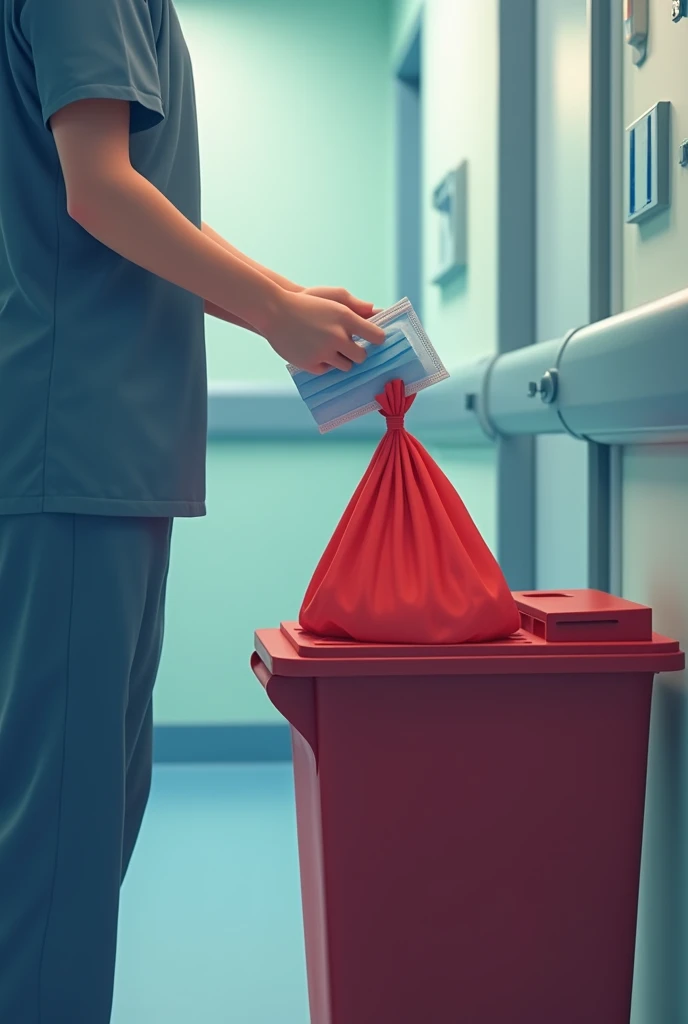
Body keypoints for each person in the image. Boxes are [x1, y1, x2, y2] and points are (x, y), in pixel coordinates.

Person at [0, 0, 386, 1020]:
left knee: (84, 829)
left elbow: (145, 197)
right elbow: (99, 192)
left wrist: (285, 301)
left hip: (103, 451)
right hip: (76, 445)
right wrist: (272, 309)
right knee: (57, 857)